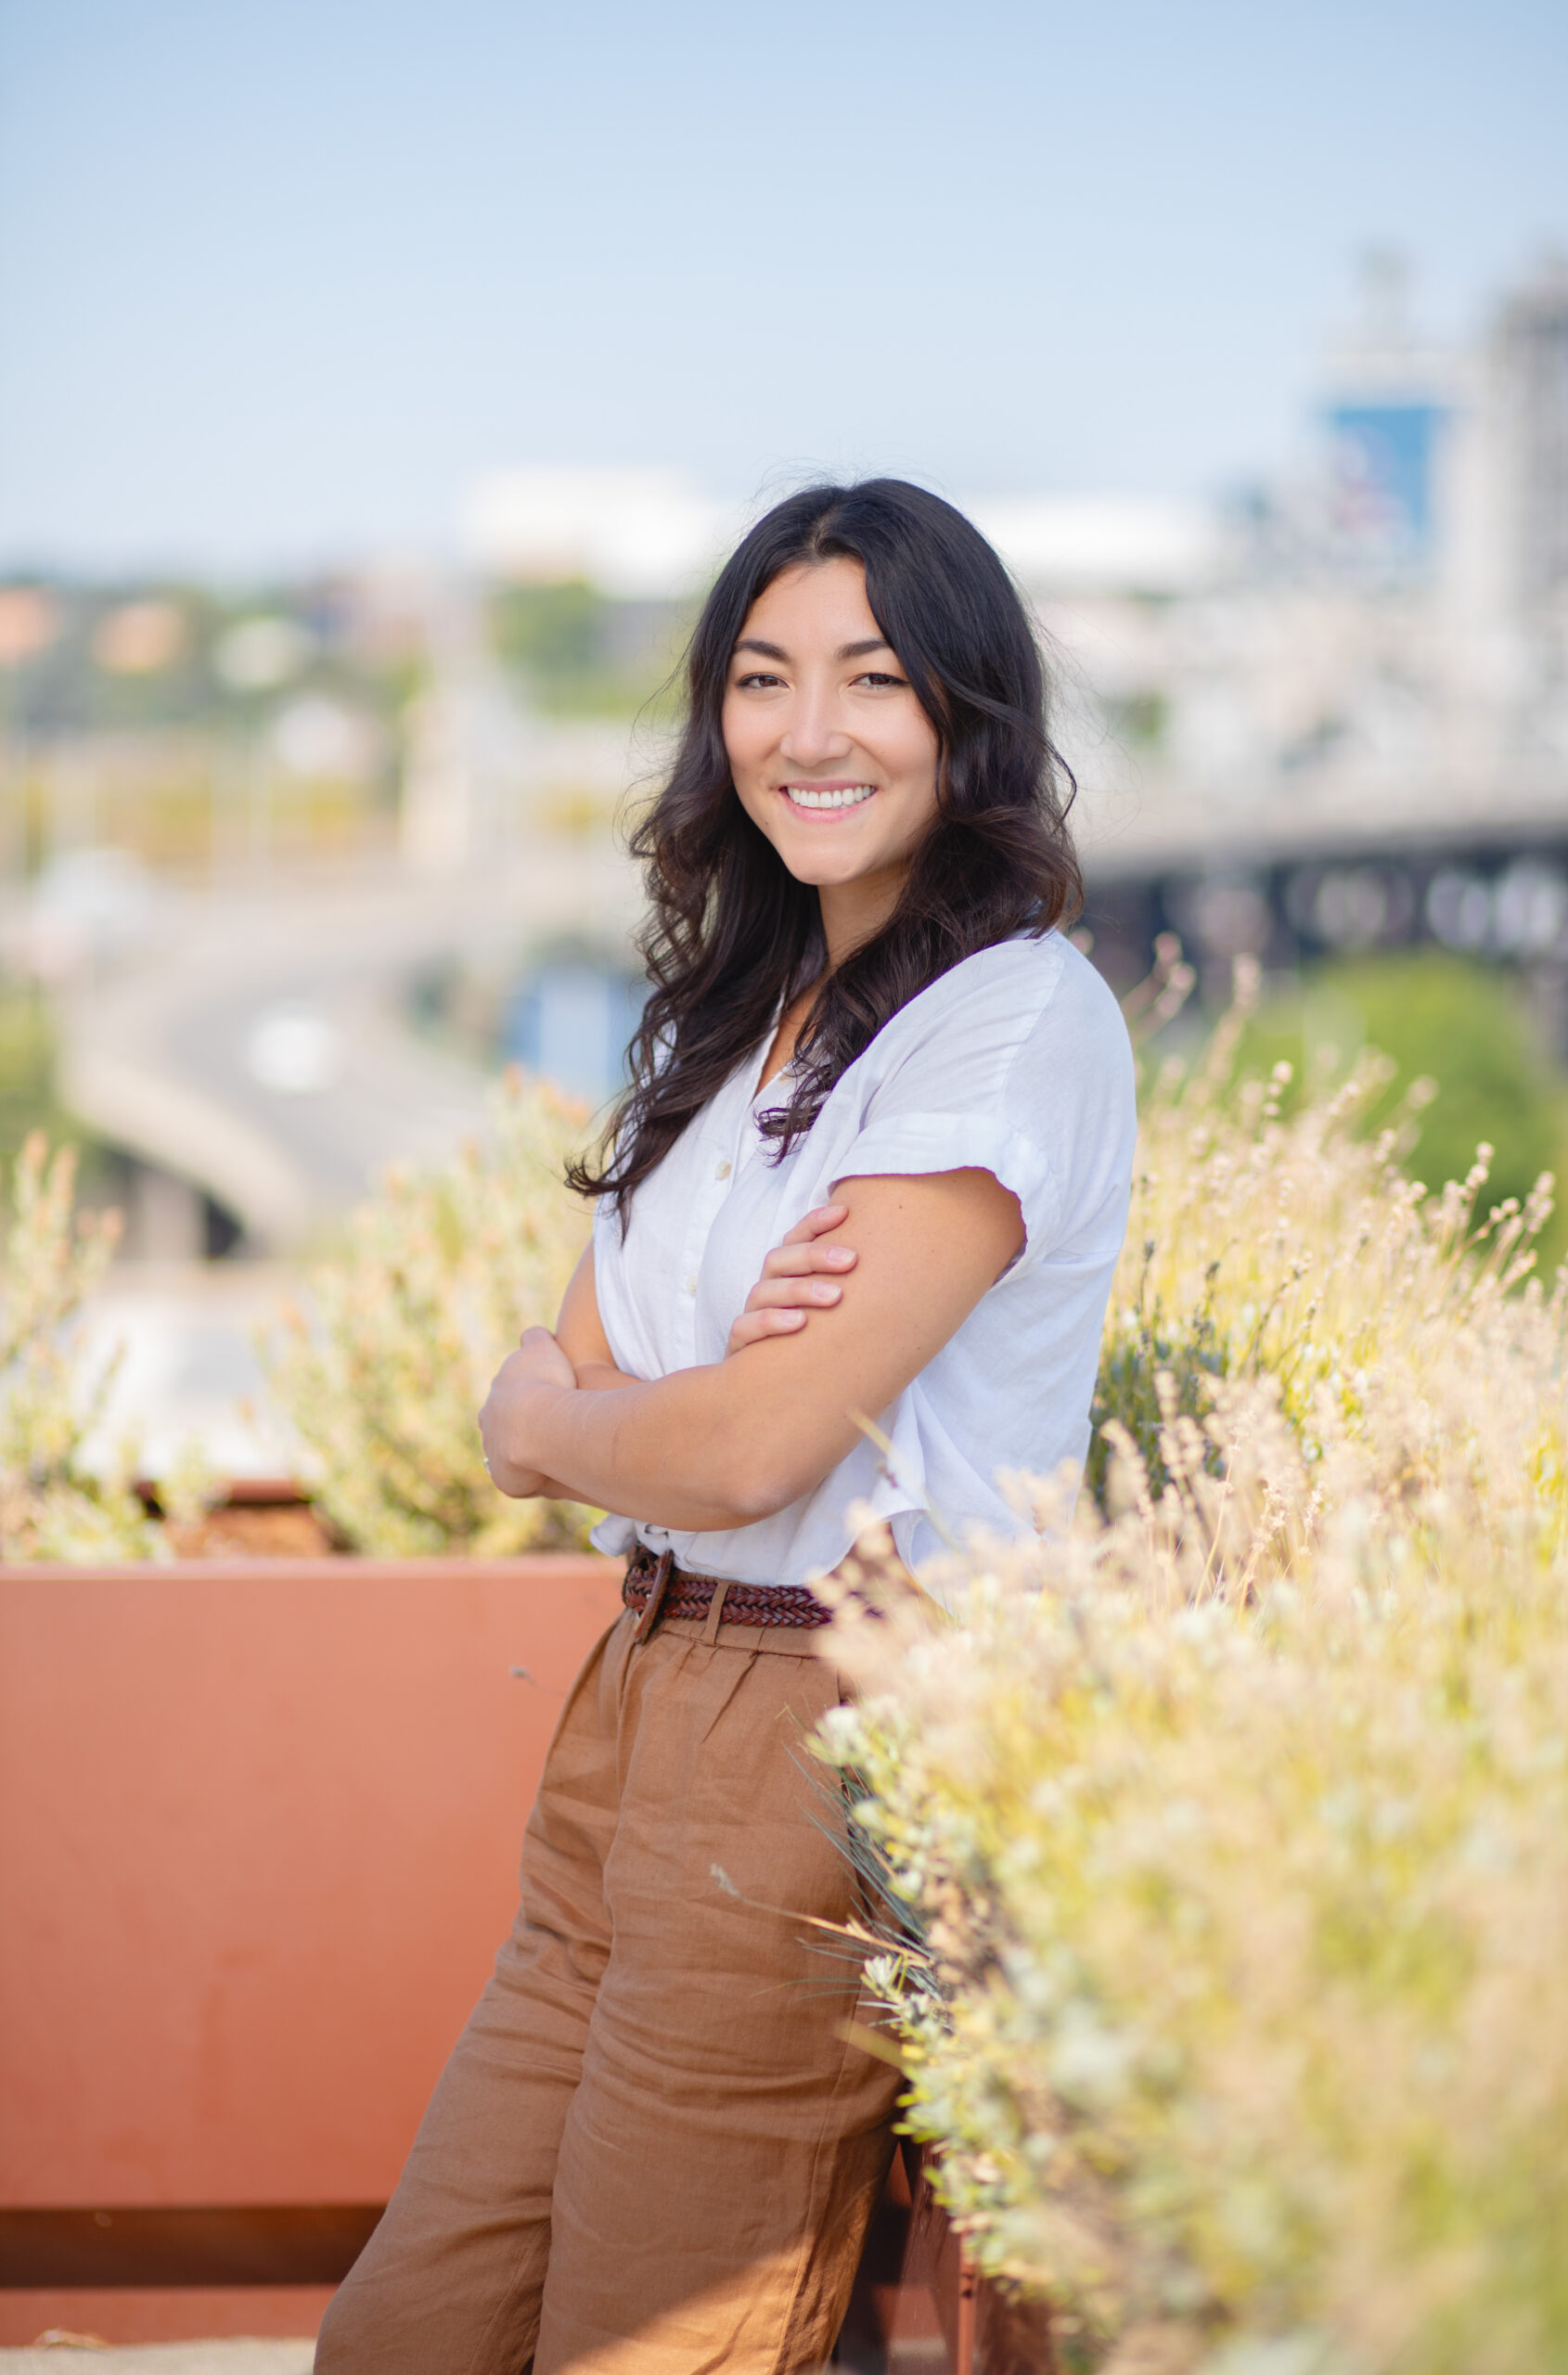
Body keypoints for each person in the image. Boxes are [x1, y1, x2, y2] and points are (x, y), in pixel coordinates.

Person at [315, 480, 1136, 2374]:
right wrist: (605, 1409)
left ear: (966, 712)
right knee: (405, 2335)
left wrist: (596, 1410)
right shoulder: (736, 1010)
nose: (808, 729)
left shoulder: (1005, 1024)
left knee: (647, 2341)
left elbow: (742, 1448)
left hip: (816, 1729)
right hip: (635, 1707)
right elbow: (555, 1393)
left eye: (872, 677)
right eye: (761, 678)